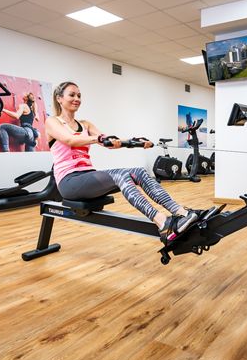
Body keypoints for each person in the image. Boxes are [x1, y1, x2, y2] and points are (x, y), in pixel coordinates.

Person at [46, 81, 200, 244]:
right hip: (69, 182)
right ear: (59, 98)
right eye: (72, 95)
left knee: (138, 171)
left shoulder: (85, 124)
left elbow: (109, 141)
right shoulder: (52, 122)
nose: (77, 98)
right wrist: (98, 139)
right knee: (120, 176)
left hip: (87, 176)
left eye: (79, 95)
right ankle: (162, 222)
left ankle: (182, 213)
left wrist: (135, 142)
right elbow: (70, 140)